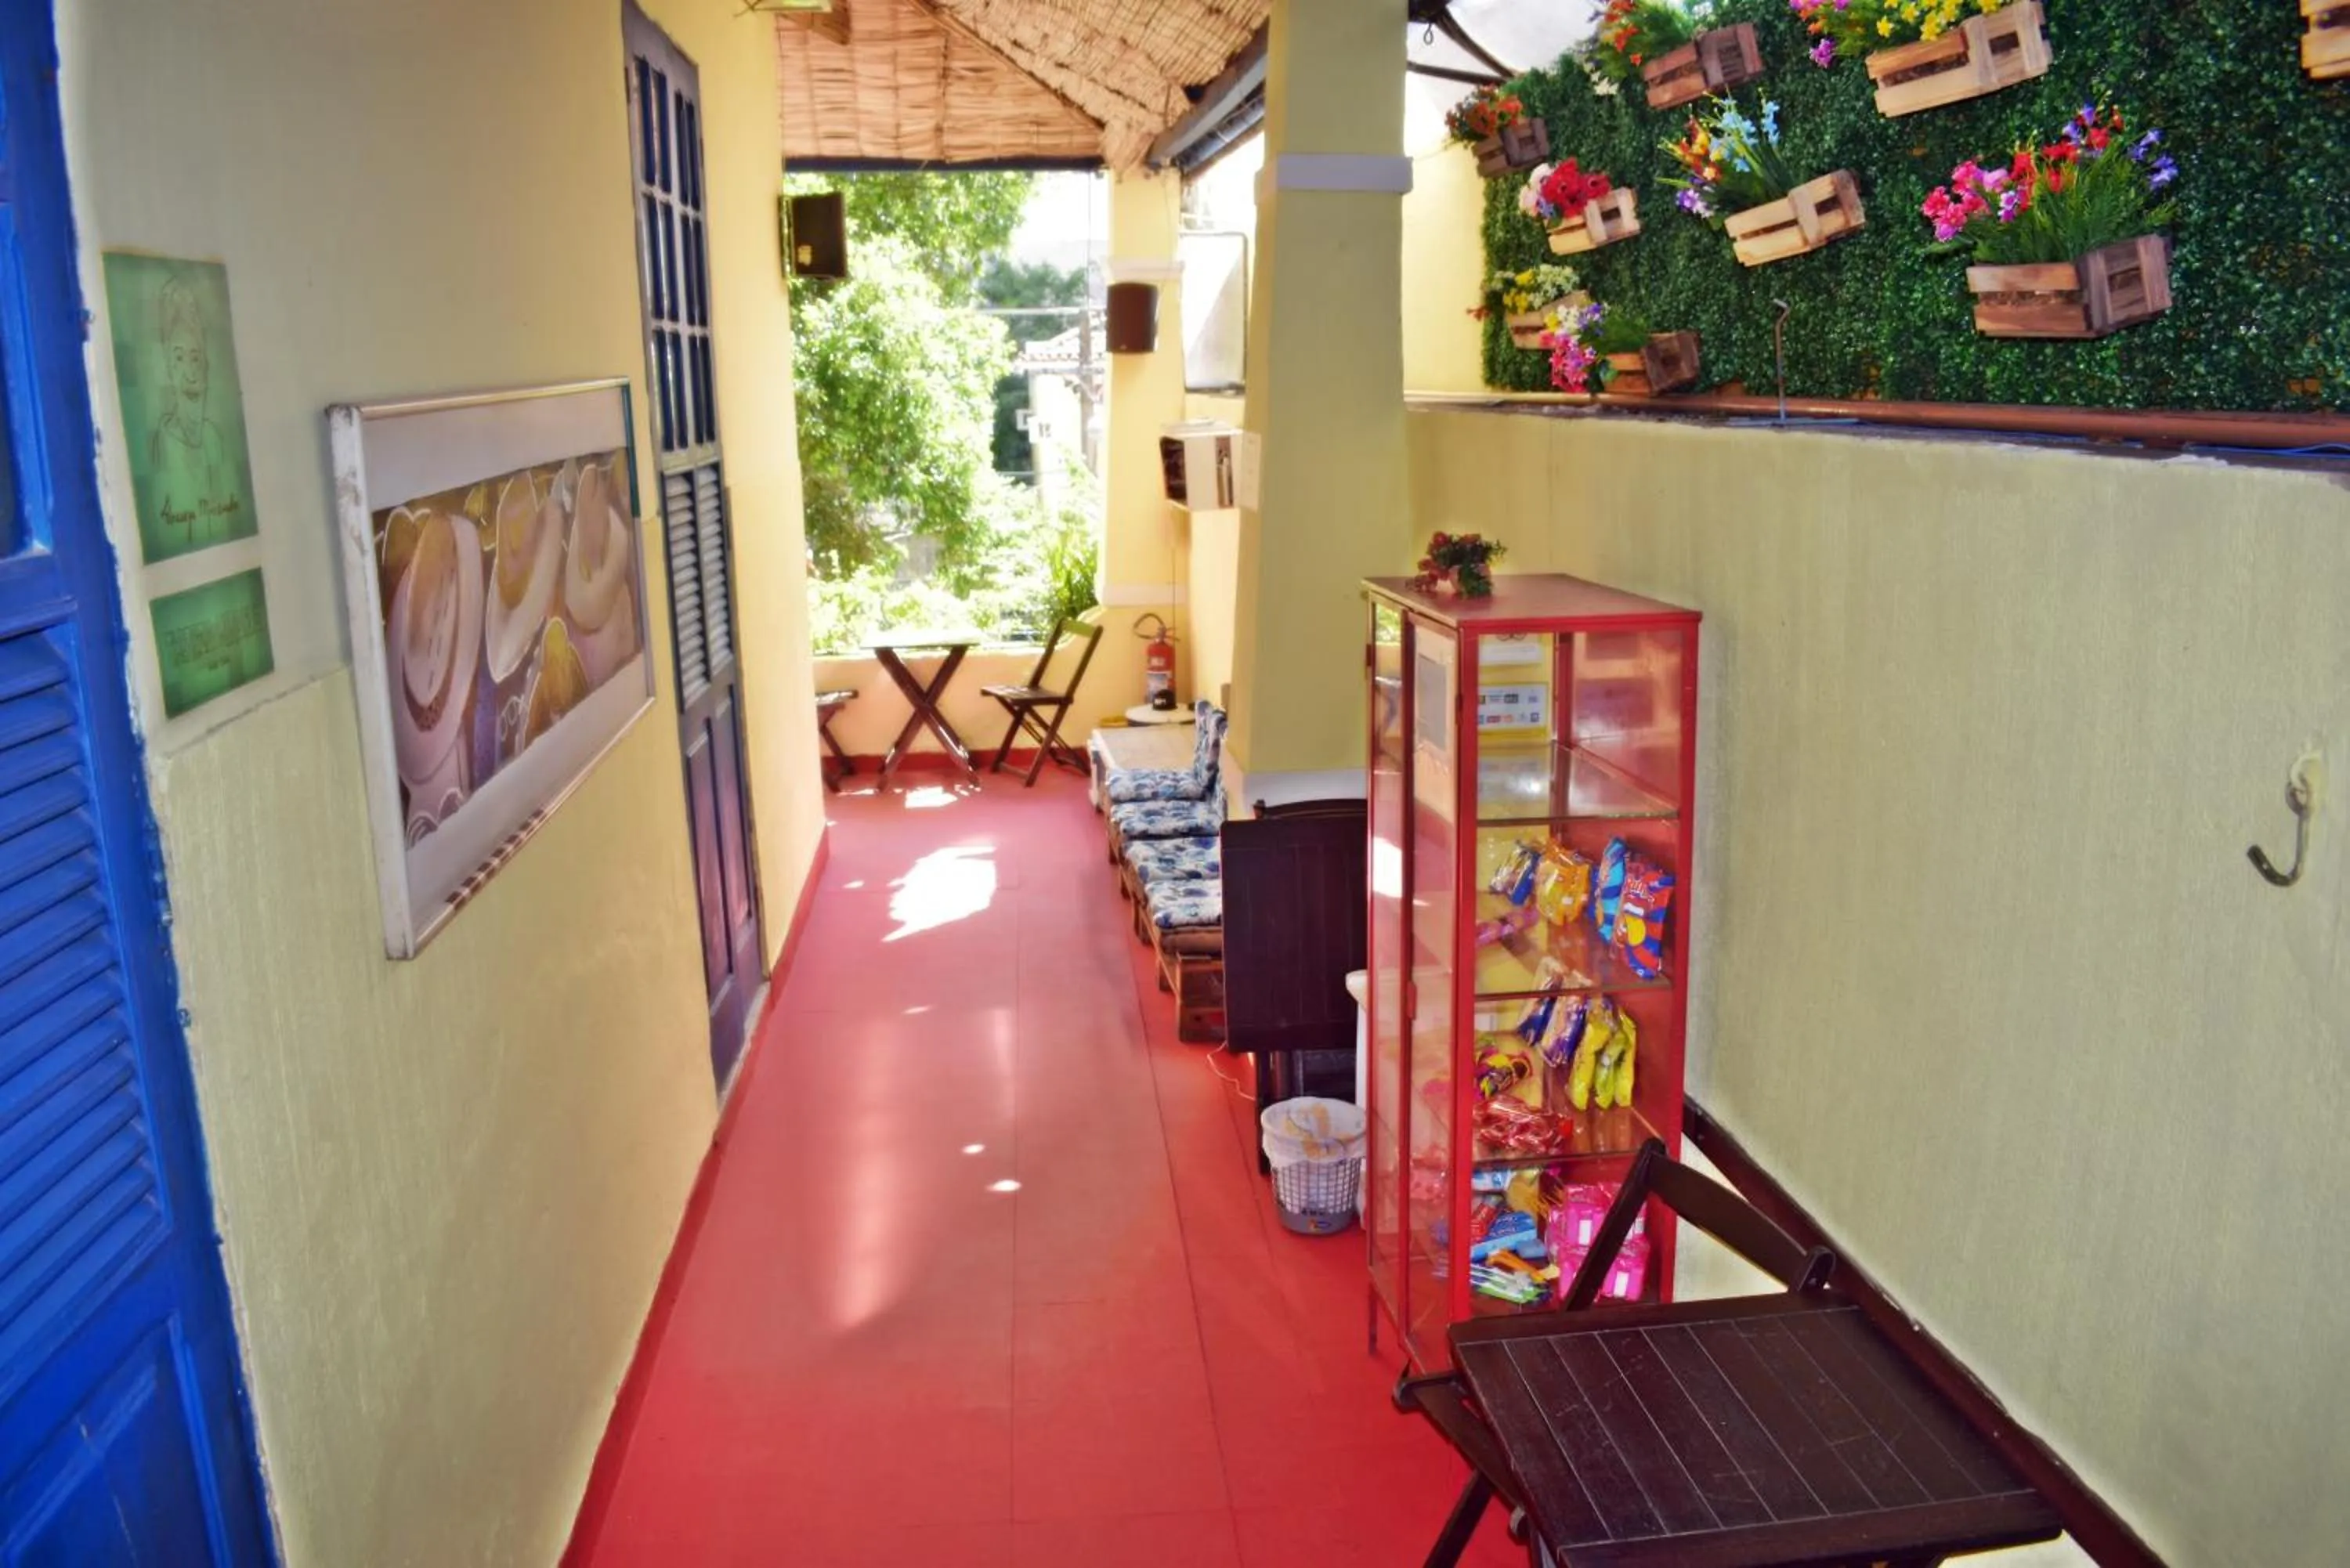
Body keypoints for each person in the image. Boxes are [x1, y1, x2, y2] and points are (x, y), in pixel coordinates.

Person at [146, 272, 242, 547]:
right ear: (168, 369)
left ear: (207, 367)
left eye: (195, 358)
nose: (190, 373)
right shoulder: (164, 443)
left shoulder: (214, 438)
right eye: (179, 359)